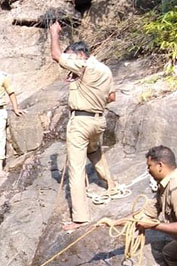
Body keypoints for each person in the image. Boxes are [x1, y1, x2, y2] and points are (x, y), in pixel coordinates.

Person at [48, 22, 117, 232]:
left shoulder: (84, 66)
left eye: (72, 59)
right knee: (94, 151)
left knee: (76, 168)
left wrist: (54, 33)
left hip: (81, 121)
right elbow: (112, 97)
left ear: (79, 55)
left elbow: (56, 55)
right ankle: (111, 184)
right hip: (98, 120)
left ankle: (80, 217)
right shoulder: (104, 69)